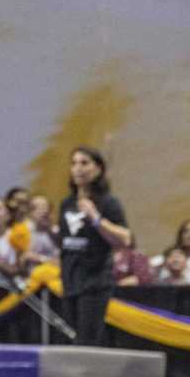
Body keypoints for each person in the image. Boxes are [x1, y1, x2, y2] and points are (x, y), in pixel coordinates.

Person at [56, 145, 132, 343]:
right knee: (69, 341)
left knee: (87, 342)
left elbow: (125, 238)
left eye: (84, 163)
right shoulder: (67, 203)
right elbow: (65, 243)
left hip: (94, 282)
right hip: (69, 281)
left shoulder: (108, 203)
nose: (77, 168)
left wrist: (96, 218)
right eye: (73, 163)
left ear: (98, 169)